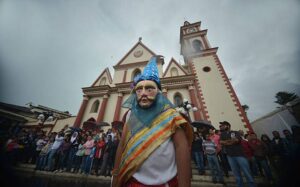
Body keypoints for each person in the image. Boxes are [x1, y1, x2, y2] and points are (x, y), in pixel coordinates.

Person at [111, 56, 193, 187]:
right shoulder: (131, 115)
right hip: (132, 182)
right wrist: (115, 177)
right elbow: (122, 145)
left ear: (158, 92)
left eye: (149, 89)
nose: (143, 93)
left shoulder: (170, 115)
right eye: (139, 89)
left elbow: (181, 147)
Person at [219, 121, 256, 187]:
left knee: (247, 172)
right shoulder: (222, 134)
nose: (221, 127)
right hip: (230, 156)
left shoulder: (235, 132)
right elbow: (221, 142)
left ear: (228, 126)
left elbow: (236, 140)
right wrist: (230, 141)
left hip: (240, 155)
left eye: (223, 125)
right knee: (236, 174)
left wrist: (227, 142)